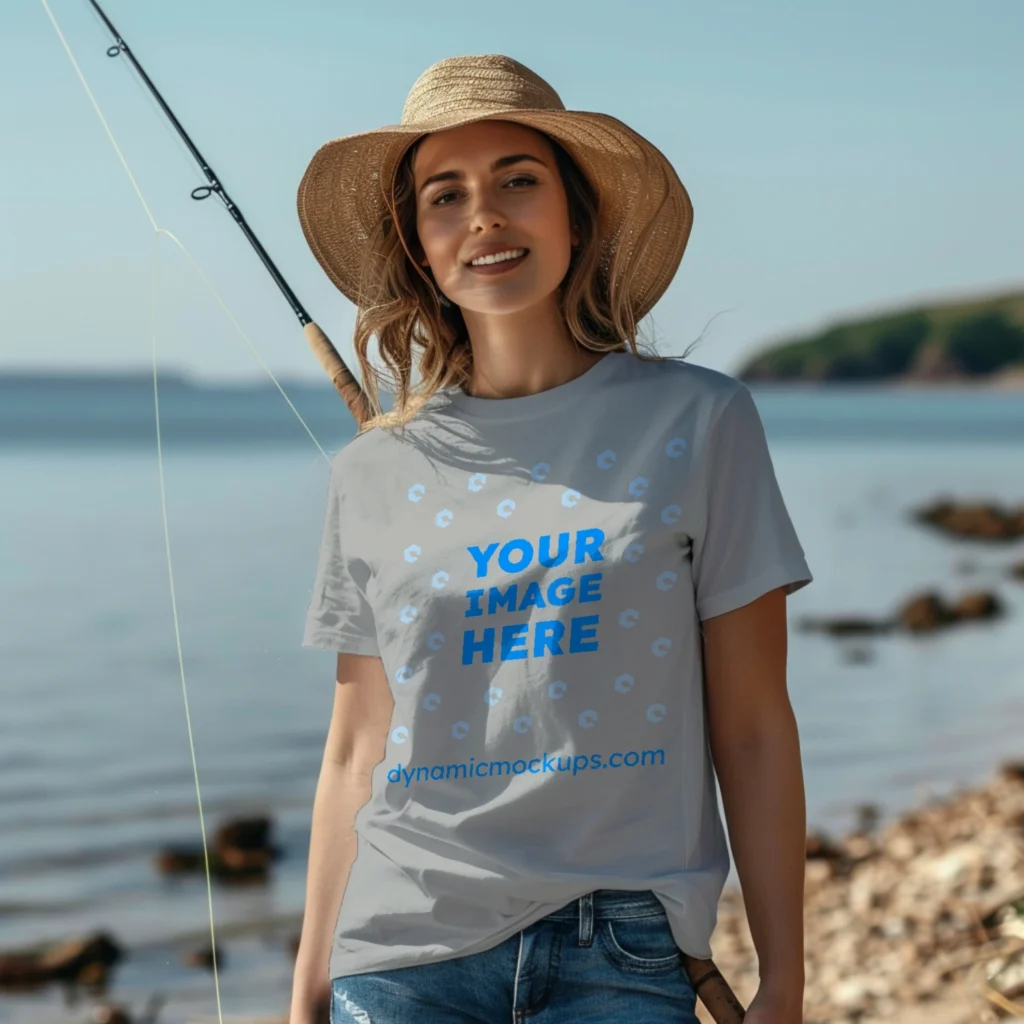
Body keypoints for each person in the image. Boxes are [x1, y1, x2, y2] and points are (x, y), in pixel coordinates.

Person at [289, 54, 812, 1024]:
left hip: (621, 942)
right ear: (418, 246)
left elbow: (751, 723)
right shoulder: (370, 471)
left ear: (577, 213)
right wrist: (307, 990)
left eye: (516, 181)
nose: (483, 215)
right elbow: (354, 749)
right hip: (402, 944)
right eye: (446, 196)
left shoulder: (698, 423)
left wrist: (783, 977)